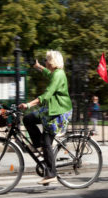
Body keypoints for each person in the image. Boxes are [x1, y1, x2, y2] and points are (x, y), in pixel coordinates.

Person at [18, 50, 72, 185]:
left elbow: (47, 95)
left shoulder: (58, 74)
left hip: (59, 112)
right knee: (28, 119)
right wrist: (39, 67)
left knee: (46, 139)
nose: (46, 62)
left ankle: (51, 174)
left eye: (47, 60)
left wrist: (29, 104)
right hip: (51, 109)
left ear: (53, 61)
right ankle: (40, 146)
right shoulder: (55, 73)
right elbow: (49, 74)